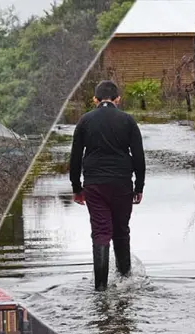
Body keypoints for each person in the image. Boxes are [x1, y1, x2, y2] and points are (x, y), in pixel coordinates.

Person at [69, 80, 146, 291]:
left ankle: (100, 288)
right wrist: (139, 187)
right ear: (118, 99)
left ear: (95, 100)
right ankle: (125, 280)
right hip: (122, 183)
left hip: (94, 184)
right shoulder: (128, 121)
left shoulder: (84, 121)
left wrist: (77, 188)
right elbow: (139, 157)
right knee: (121, 231)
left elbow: (75, 158)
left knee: (101, 231)